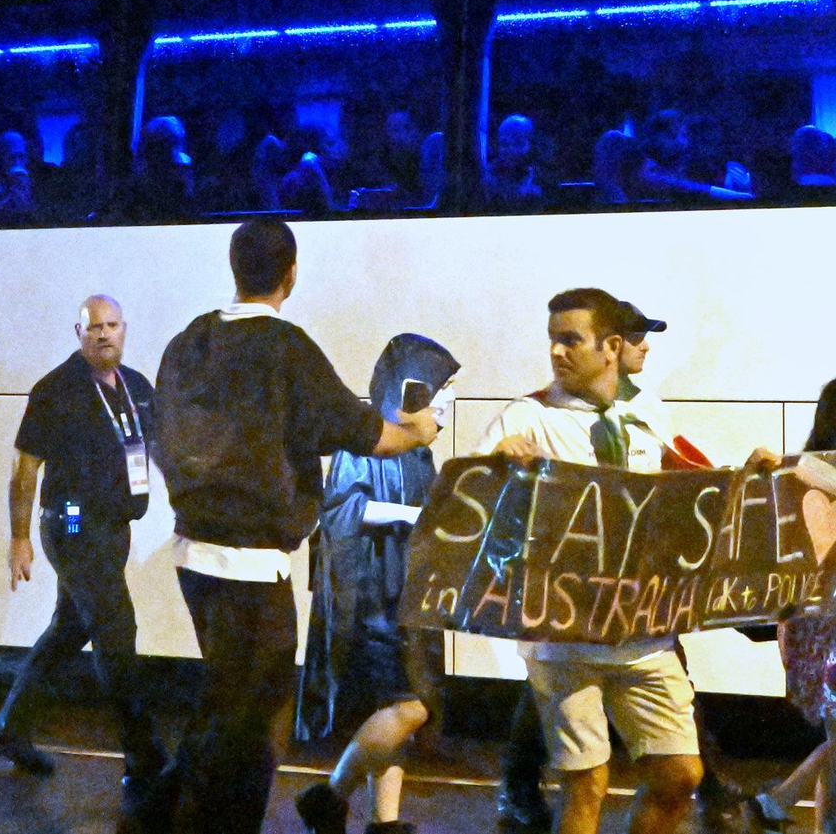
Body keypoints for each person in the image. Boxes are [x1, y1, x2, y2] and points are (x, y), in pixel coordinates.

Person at [152, 218, 441, 833]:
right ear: (290, 273)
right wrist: (419, 430)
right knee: (255, 725)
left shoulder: (188, 341)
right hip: (253, 563)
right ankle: (197, 821)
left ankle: (163, 811)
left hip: (193, 555)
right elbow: (366, 434)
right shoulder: (287, 348)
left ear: (234, 269)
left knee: (225, 703)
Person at [495, 299, 743, 833]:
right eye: (553, 339)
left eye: (570, 339)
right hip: (565, 632)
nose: (556, 351)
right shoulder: (527, 416)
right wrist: (501, 465)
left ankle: (517, 783)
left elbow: (687, 490)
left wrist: (755, 480)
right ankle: (517, 786)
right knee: (586, 784)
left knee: (680, 773)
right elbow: (473, 505)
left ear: (610, 348)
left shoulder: (647, 413)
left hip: (642, 630)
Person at [0, 295, 167, 805]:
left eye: (111, 326)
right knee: (117, 631)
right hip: (73, 528)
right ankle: (144, 756)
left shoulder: (137, 388)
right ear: (77, 332)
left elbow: (156, 452)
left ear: (124, 329)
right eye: (93, 328)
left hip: (114, 529)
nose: (103, 335)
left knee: (69, 629)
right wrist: (19, 538)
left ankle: (8, 727)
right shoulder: (56, 390)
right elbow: (24, 471)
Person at [294, 333, 460, 834]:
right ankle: (329, 795)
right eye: (437, 396)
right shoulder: (363, 444)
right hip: (372, 594)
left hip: (407, 593)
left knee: (395, 710)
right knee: (409, 706)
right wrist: (415, 516)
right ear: (410, 394)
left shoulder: (418, 455)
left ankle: (385, 819)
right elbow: (344, 511)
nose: (445, 409)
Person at [744, 376, 836, 832]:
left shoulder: (808, 476)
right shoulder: (812, 482)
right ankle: (782, 802)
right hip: (825, 627)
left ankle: (780, 801)